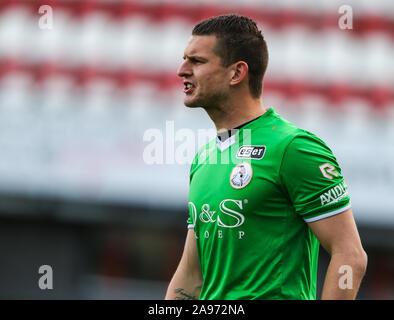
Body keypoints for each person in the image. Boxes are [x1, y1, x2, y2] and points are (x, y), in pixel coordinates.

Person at [165, 14, 367, 300]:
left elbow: (350, 256)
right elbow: (191, 274)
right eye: (185, 59)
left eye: (196, 61)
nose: (181, 70)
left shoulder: (294, 147)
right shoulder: (206, 156)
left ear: (237, 73)